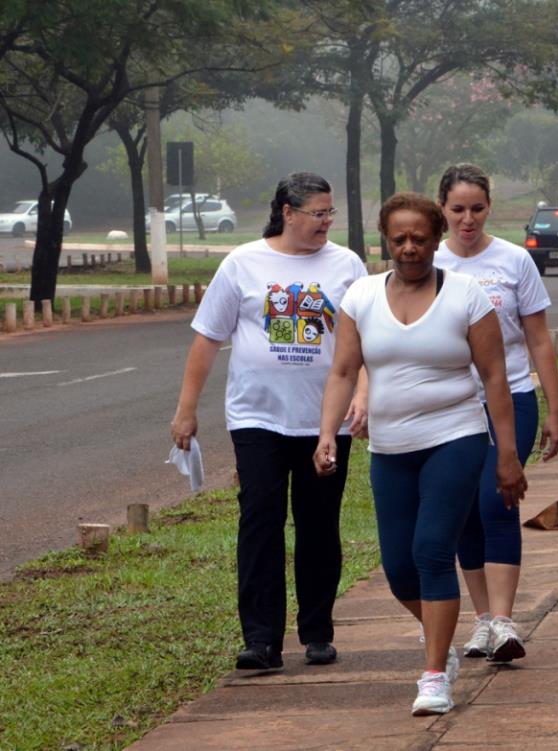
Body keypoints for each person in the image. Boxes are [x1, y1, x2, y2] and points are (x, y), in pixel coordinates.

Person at [315, 192, 527, 716]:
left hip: (456, 437)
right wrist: (326, 436)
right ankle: (443, 640)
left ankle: (434, 675)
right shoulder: (360, 296)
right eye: (398, 239)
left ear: (436, 240)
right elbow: (343, 372)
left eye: (419, 238)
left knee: (433, 550)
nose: (409, 248)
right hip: (390, 447)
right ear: (385, 241)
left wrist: (507, 454)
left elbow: (495, 378)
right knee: (398, 569)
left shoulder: (467, 295)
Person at [170, 172, 367, 671]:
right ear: (288, 212)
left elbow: (366, 339)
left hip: (325, 419)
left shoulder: (346, 265)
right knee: (260, 520)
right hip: (256, 417)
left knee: (319, 523)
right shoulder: (242, 264)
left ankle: (317, 631)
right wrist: (186, 408)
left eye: (330, 214)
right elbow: (207, 339)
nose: (326, 222)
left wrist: (362, 395)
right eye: (317, 213)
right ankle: (260, 639)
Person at [433, 163, 558, 663]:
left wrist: (554, 408)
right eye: (458, 209)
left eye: (478, 209)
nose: (468, 220)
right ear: (442, 208)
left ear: (491, 208)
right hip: (450, 404)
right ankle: (483, 619)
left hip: (511, 398)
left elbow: (539, 338)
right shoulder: (430, 259)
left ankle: (506, 621)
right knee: (464, 511)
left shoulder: (513, 261)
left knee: (498, 500)